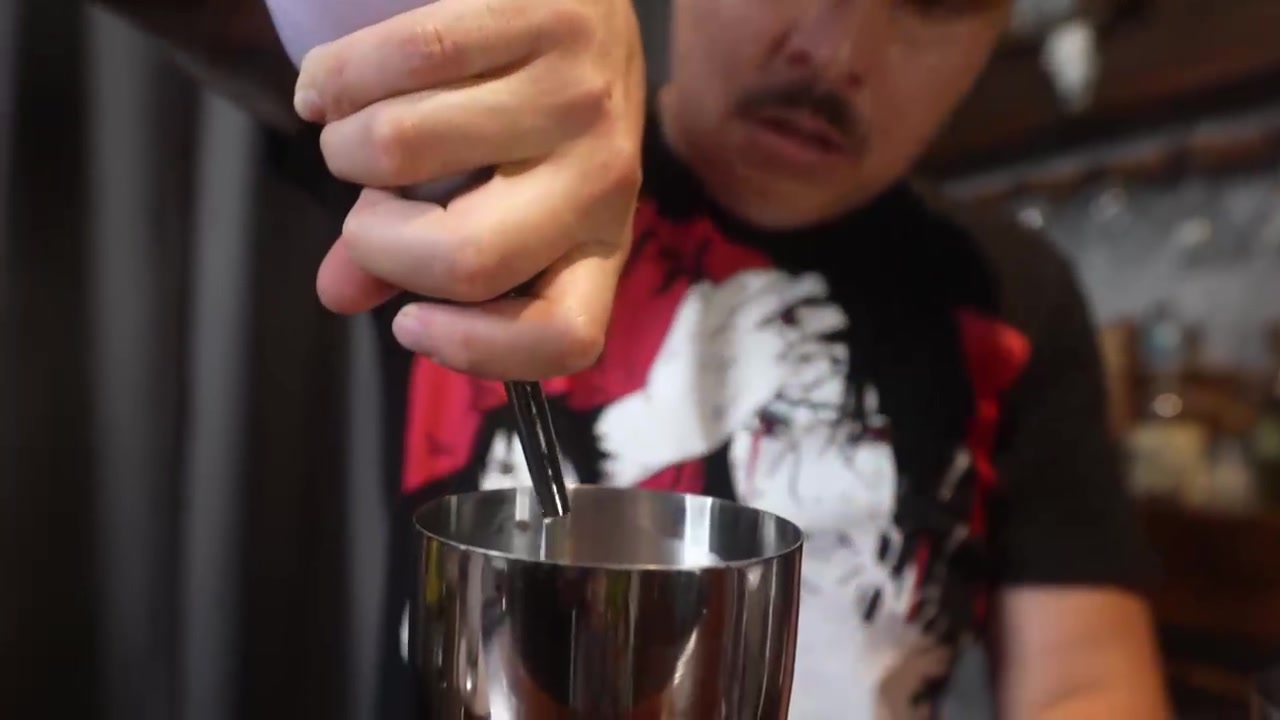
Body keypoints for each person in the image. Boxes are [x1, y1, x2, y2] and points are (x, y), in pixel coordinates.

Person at [97, 0, 1170, 717]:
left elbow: (1082, 685)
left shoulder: (1008, 296)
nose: (836, 46)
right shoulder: (490, 152)